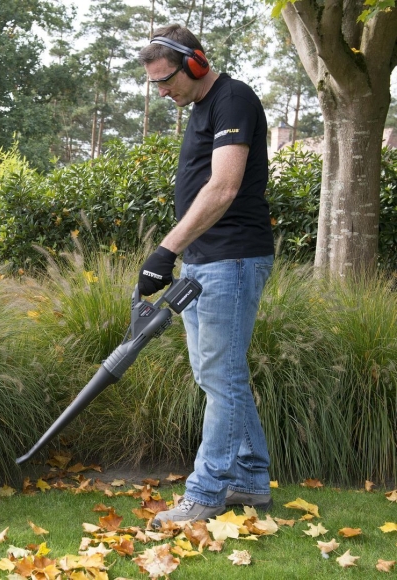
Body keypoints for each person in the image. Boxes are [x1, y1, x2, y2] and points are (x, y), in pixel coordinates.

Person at [137, 24, 275, 528]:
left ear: (195, 63)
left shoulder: (232, 100)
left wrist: (165, 250)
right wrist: (180, 253)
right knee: (217, 375)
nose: (161, 92)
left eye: (166, 79)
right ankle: (250, 479)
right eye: (154, 83)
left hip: (231, 259)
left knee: (221, 377)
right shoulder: (200, 108)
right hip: (204, 261)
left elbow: (223, 187)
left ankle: (207, 492)